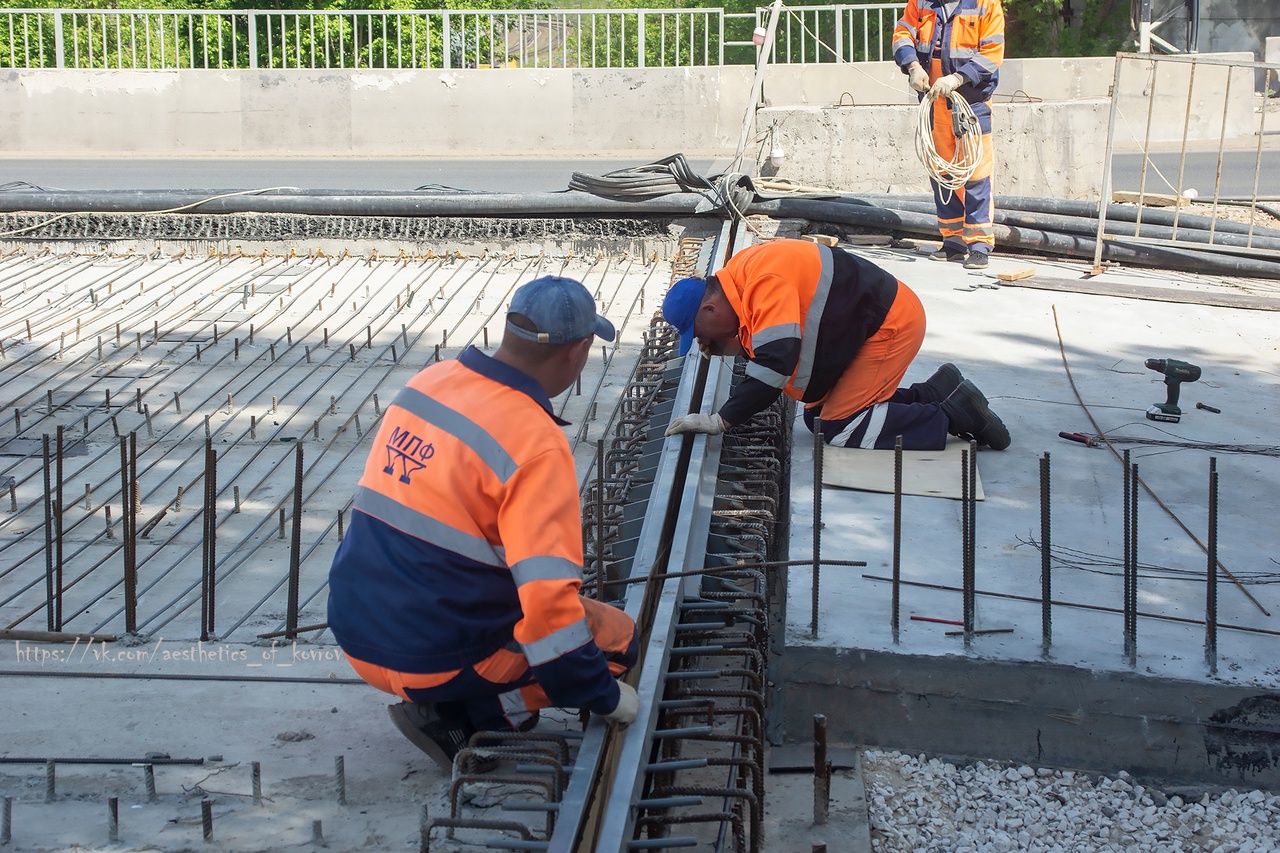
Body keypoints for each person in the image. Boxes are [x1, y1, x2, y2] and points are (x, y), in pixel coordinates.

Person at [327, 275, 640, 772]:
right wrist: (602, 696)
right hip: (432, 657)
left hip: (356, 632)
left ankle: (453, 703)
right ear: (577, 353)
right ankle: (478, 718)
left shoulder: (429, 381)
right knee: (618, 640)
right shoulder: (535, 443)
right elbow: (549, 607)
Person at [660, 238, 1010, 451]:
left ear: (709, 308)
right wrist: (734, 345)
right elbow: (775, 341)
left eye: (700, 333)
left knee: (841, 428)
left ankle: (952, 414)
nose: (704, 342)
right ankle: (935, 393)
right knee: (817, 418)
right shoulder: (741, 275)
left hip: (890, 326)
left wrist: (722, 420)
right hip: (874, 323)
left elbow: (776, 363)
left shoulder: (762, 281)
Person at [893, 0, 1006, 270]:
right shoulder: (921, 3)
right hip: (933, 100)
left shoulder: (985, 4)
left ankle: (979, 244)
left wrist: (958, 78)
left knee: (975, 173)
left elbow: (991, 52)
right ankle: (953, 241)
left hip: (970, 101)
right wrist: (913, 66)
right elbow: (902, 34)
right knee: (942, 172)